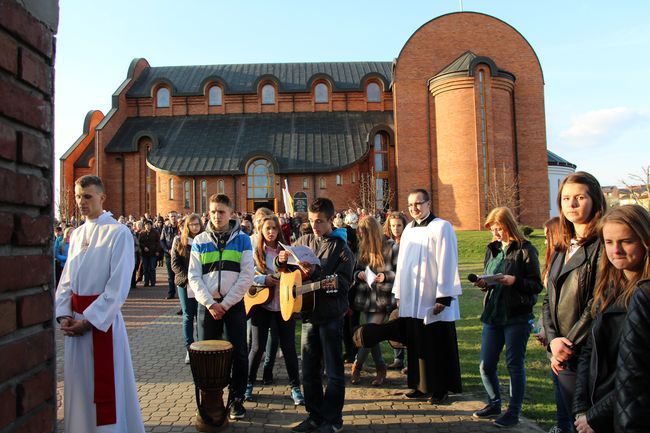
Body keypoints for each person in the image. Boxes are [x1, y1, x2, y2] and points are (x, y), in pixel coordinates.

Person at [55, 175, 144, 432]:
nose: (81, 202)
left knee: (107, 390)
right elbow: (66, 279)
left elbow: (117, 287)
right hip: (75, 323)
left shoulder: (118, 233)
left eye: (87, 196)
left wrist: (89, 321)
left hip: (102, 325)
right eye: (78, 197)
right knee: (80, 389)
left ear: (102, 198)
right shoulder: (78, 232)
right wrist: (64, 315)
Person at [279, 197, 354, 433]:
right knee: (309, 370)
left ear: (331, 220)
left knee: (333, 371)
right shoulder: (304, 240)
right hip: (309, 315)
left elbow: (343, 283)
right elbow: (289, 270)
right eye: (311, 221)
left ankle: (333, 420)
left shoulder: (342, 248)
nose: (314, 225)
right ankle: (314, 415)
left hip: (331, 316)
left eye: (319, 221)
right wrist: (280, 262)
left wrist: (318, 272)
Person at [572, 205, 650, 433]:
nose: (616, 250)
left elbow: (639, 373)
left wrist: (595, 417)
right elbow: (589, 349)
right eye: (608, 242)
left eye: (626, 241)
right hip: (596, 406)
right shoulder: (608, 288)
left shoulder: (644, 294)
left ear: (645, 240)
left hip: (630, 413)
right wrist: (580, 406)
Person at [542, 172, 606, 422]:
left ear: (595, 200)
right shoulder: (563, 246)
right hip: (558, 351)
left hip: (583, 352)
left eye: (580, 197)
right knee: (566, 418)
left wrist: (566, 344)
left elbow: (597, 301)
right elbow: (548, 299)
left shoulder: (601, 245)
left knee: (584, 421)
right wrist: (552, 341)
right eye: (566, 198)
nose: (572, 204)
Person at [471, 207, 543, 427]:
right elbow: (490, 278)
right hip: (493, 315)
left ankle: (513, 411)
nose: (496, 232)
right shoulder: (491, 248)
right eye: (492, 228)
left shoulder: (525, 250)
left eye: (499, 227)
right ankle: (494, 403)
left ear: (509, 226)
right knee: (486, 365)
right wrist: (485, 284)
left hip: (516, 316)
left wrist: (515, 281)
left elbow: (536, 285)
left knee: (514, 365)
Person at [392, 188, 462, 405]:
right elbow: (402, 265)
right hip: (412, 298)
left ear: (428, 203)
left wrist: (443, 297)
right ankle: (421, 385)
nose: (414, 208)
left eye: (418, 203)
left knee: (436, 343)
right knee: (417, 343)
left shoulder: (442, 227)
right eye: (411, 204)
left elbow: (448, 261)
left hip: (433, 298)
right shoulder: (409, 229)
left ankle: (440, 388)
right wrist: (399, 292)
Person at [188, 194, 254, 421]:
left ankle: (236, 400)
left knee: (239, 353)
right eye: (213, 211)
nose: (217, 216)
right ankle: (209, 401)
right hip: (207, 306)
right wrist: (210, 303)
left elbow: (247, 276)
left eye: (222, 212)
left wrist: (224, 304)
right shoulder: (199, 241)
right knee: (206, 356)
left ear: (231, 213)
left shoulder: (243, 239)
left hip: (233, 305)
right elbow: (194, 276)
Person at [245, 213, 305, 405]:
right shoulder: (254, 251)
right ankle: (247, 385)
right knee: (256, 348)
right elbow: (246, 276)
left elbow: (296, 275)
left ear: (279, 230)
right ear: (261, 231)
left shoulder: (286, 250)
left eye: (274, 228)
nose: (271, 232)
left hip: (283, 304)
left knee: (288, 348)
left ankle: (296, 388)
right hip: (261, 305)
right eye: (267, 228)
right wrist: (264, 279)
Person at [350, 216, 398, 386]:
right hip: (365, 295)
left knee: (369, 333)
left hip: (382, 297)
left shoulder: (391, 246)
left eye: (365, 235)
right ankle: (381, 368)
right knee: (372, 336)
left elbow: (398, 272)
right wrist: (359, 275)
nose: (362, 238)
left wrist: (384, 276)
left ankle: (357, 365)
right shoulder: (363, 247)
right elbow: (355, 270)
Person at [171, 213, 203, 364]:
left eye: (197, 224)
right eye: (192, 225)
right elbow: (175, 264)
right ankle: (189, 348)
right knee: (188, 315)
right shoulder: (179, 241)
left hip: (202, 284)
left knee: (201, 315)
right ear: (187, 226)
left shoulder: (204, 240)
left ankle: (201, 346)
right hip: (185, 284)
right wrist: (188, 279)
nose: (195, 227)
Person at [383, 211, 408, 370]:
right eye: (393, 226)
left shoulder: (409, 244)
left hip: (405, 289)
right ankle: (398, 358)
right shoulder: (390, 244)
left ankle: (411, 361)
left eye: (399, 225)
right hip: (390, 289)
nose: (396, 229)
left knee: (407, 324)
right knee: (394, 323)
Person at [160, 211, 179, 299]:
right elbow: (162, 240)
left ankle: (181, 294)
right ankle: (171, 293)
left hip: (179, 254)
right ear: (169, 217)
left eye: (175, 216)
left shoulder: (180, 228)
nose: (173, 218)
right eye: (172, 216)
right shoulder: (165, 228)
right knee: (170, 275)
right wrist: (168, 250)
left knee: (180, 274)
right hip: (168, 253)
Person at [138, 220, 161, 287]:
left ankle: (153, 282)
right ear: (144, 226)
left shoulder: (155, 232)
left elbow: (158, 242)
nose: (148, 226)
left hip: (153, 253)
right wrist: (144, 247)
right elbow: (140, 242)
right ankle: (146, 282)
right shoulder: (141, 233)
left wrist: (157, 251)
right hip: (144, 253)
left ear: (151, 225)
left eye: (149, 225)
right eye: (146, 225)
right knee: (145, 268)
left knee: (152, 267)